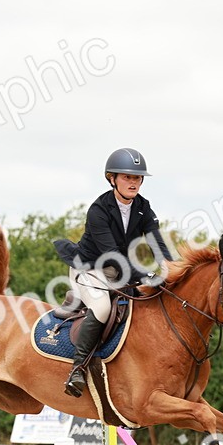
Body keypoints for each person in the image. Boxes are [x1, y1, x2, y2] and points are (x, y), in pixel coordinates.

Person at [53, 147, 174, 397]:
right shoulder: (99, 210)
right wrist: (146, 277)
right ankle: (78, 369)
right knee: (102, 309)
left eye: (137, 178)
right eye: (127, 177)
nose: (133, 183)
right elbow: (112, 256)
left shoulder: (143, 207)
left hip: (120, 271)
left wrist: (171, 270)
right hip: (89, 269)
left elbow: (156, 242)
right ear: (112, 179)